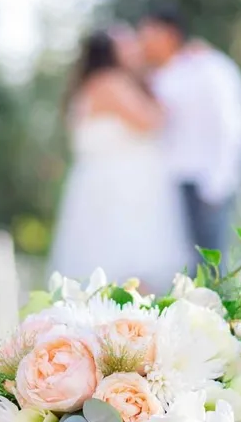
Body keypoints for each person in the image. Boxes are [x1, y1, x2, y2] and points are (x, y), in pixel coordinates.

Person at [49, 26, 191, 293]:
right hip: (118, 193)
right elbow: (152, 121)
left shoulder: (106, 82)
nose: (135, 49)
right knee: (126, 271)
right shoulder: (109, 83)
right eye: (127, 45)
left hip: (122, 188)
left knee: (128, 271)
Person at [138, 4, 241, 270]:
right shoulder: (155, 77)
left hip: (204, 182)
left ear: (169, 34)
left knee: (211, 269)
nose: (142, 40)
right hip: (167, 185)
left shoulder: (209, 67)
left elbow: (230, 125)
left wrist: (218, 185)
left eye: (148, 33)